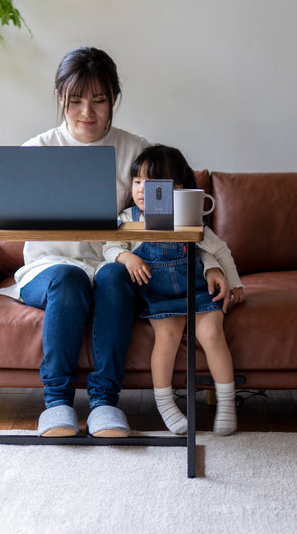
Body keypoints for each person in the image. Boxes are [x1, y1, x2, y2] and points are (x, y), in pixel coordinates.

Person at [0, 47, 150, 437]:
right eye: (76, 101)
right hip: (48, 271)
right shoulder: (38, 149)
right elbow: (11, 204)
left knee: (114, 278)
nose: (87, 112)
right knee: (69, 279)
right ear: (59, 98)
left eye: (99, 100)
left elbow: (161, 207)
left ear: (113, 98)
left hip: (109, 269)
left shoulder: (137, 152)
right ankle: (58, 403)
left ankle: (104, 403)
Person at [102, 145, 245, 436]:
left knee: (212, 335)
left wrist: (235, 281)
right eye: (138, 182)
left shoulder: (187, 215)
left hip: (196, 292)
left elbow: (218, 250)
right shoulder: (130, 217)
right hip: (159, 296)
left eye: (152, 183)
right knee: (165, 338)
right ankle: (166, 405)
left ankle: (227, 404)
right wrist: (126, 257)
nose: (142, 189)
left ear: (178, 188)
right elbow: (110, 246)